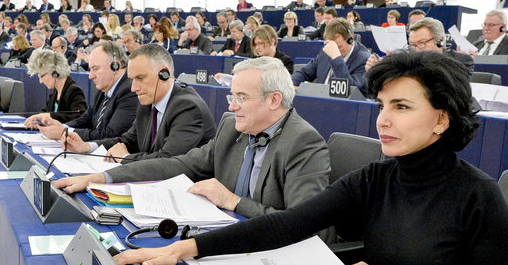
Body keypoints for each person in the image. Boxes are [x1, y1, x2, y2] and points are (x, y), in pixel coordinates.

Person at [112, 50, 508, 265]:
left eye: (402, 107)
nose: (384, 120)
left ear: (441, 120)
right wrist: (185, 250)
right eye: (381, 106)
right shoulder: (376, 178)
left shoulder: (479, 197)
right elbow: (289, 224)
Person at [54, 56, 330, 219]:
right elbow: (177, 164)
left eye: (241, 98)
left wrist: (233, 202)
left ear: (274, 100)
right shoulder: (232, 128)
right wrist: (102, 178)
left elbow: (304, 224)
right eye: (231, 96)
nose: (231, 106)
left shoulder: (303, 143)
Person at [61, 43, 217, 163]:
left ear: (164, 74)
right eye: (132, 79)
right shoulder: (148, 102)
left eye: (140, 78)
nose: (134, 88)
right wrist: (88, 147)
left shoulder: (188, 108)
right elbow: (128, 140)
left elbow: (167, 161)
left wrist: (126, 157)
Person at [32, 41, 137, 141]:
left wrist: (65, 132)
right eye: (90, 69)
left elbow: (111, 135)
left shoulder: (129, 91)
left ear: (115, 66)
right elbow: (85, 120)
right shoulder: (103, 90)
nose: (90, 76)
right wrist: (60, 127)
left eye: (95, 68)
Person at [366, 18, 474, 76]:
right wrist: (376, 70)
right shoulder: (407, 59)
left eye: (422, 43)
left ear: (440, 41)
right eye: (412, 45)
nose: (417, 50)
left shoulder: (462, 61)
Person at [292, 18, 369, 95]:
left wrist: (336, 58)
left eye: (338, 47)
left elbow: (349, 90)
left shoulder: (364, 59)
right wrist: (289, 85)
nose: (333, 50)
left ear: (350, 40)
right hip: (319, 100)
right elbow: (304, 73)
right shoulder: (327, 49)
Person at [23, 49, 88, 123]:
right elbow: (45, 112)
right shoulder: (56, 92)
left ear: (54, 72)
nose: (40, 81)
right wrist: (36, 120)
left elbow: (80, 118)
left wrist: (49, 116)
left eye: (42, 76)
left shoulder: (74, 90)